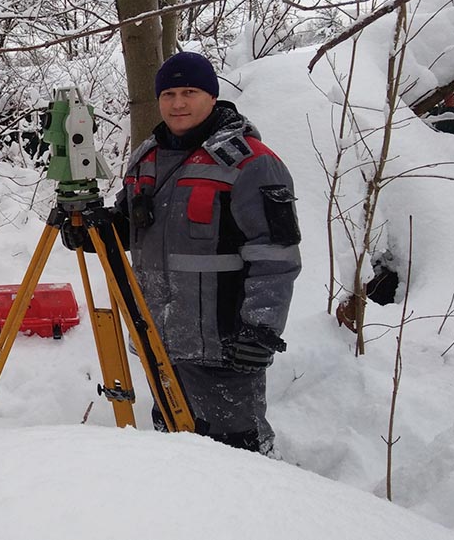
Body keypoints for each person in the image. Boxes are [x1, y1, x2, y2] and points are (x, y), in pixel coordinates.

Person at [83, 51, 301, 454]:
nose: (177, 103)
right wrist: (94, 230)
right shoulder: (146, 157)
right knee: (175, 454)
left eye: (189, 92)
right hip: (159, 339)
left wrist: (261, 329)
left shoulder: (252, 162)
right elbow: (134, 227)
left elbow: (276, 256)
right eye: (168, 94)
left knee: (236, 456)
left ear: (212, 97)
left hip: (224, 346)